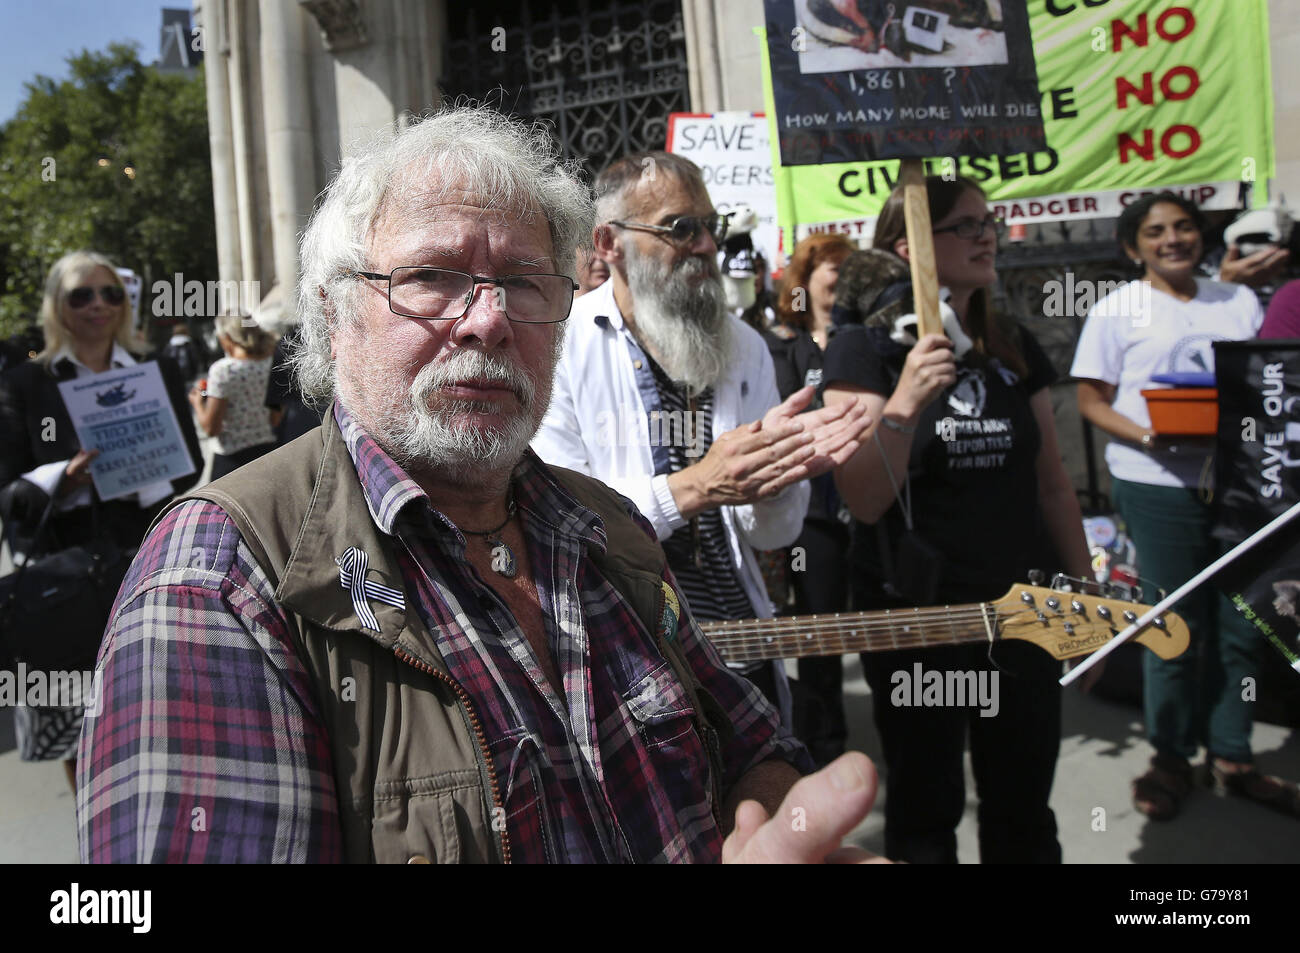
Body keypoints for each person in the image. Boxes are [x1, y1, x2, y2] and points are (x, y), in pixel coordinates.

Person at [77, 107, 885, 864]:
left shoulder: (609, 530)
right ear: (335, 314)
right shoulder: (219, 578)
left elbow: (750, 745)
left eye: (527, 281)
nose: (489, 319)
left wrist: (781, 828)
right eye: (433, 275)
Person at [532, 151, 871, 724]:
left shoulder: (745, 346)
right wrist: (699, 485)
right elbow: (564, 524)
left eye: (710, 227)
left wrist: (777, 478)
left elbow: (771, 536)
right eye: (680, 228)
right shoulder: (560, 347)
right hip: (626, 661)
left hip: (741, 651)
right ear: (609, 243)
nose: (708, 246)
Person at [822, 176, 1092, 863]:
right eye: (964, 225)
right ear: (906, 245)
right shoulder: (863, 351)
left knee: (1023, 804)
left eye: (987, 222)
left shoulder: (1011, 342)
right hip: (919, 617)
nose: (986, 235)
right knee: (925, 807)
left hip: (1023, 610)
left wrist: (1085, 590)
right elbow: (861, 497)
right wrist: (905, 400)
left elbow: (1054, 484)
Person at [1072, 192, 1300, 821]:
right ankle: (1169, 756)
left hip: (1239, 485)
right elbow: (1091, 400)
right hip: (1155, 484)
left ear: (1201, 236)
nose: (1172, 239)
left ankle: (1232, 754)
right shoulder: (1117, 310)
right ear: (1132, 246)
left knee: (1240, 623)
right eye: (1155, 232)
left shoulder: (1240, 301)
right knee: (1172, 625)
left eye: (1183, 227)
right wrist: (1150, 436)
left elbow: (1269, 380)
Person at [0, 250, 201, 783]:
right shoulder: (26, 384)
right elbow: (8, 492)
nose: (98, 305)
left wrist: (138, 471)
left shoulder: (153, 370)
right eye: (81, 294)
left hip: (146, 562)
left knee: (161, 712)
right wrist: (61, 479)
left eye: (110, 293)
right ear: (57, 305)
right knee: (79, 729)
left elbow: (189, 467)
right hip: (66, 578)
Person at [766, 233, 855, 765]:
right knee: (818, 627)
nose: (840, 282)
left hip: (861, 507)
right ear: (806, 279)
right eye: (832, 270)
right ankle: (823, 737)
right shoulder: (780, 346)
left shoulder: (861, 340)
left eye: (849, 273)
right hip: (810, 512)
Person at [188, 313, 280, 479]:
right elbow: (275, 418)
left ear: (227, 337)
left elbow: (211, 429)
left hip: (231, 459)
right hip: (268, 452)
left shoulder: (224, 371)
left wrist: (197, 403)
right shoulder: (273, 363)